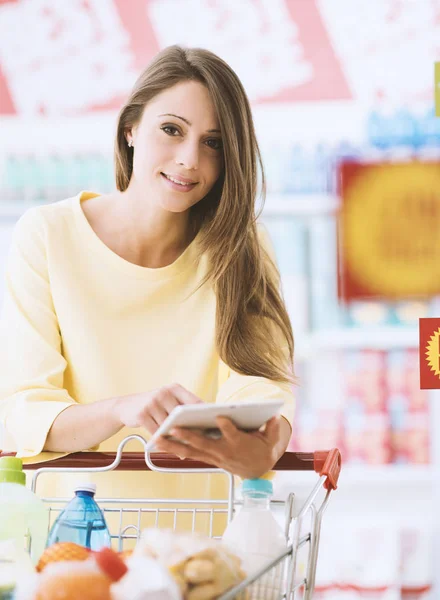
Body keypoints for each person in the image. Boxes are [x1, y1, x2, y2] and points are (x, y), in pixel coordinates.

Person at [0, 46, 295, 525]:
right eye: (172, 129)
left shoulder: (243, 249)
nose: (188, 160)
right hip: (73, 541)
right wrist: (123, 409)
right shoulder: (48, 236)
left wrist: (266, 439)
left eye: (213, 143)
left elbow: (261, 388)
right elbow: (27, 409)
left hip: (198, 546)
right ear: (130, 129)